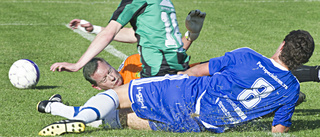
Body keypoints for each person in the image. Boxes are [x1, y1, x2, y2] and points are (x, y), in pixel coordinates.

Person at [37, 30, 315, 135]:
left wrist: (173, 79)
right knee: (128, 120)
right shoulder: (291, 90)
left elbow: (199, 71)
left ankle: (72, 115)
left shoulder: (247, 56)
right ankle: (72, 114)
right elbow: (279, 131)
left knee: (122, 95)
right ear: (300, 61)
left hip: (186, 94)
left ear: (281, 44)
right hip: (204, 124)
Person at [50, 0, 206, 78]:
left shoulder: (135, 1)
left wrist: (77, 65)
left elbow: (108, 34)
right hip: (179, 67)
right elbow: (137, 35)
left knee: (116, 105)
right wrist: (95, 29)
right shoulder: (161, 2)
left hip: (158, 72)